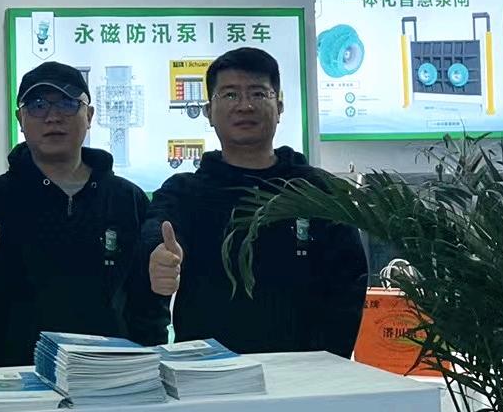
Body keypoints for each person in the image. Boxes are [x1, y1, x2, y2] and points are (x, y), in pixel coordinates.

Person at [139, 47, 367, 356]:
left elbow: (349, 284)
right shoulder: (185, 192)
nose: (244, 106)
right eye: (230, 95)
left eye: (258, 94)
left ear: (279, 107)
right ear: (208, 111)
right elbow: (159, 228)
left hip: (303, 375)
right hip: (208, 374)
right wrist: (157, 254)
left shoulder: (319, 190)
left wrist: (326, 362)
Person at [0, 62, 166, 367]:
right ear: (20, 119)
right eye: (37, 105)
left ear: (89, 115)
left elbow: (146, 298)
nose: (53, 116)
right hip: (15, 375)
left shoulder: (127, 199)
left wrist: (150, 360)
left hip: (109, 372)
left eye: (68, 104)